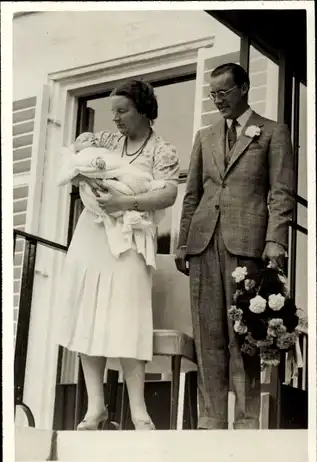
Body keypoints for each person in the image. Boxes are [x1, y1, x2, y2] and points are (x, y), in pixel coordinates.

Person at [175, 63, 294, 430]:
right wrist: (182, 243)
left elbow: (281, 191)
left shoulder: (273, 132)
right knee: (208, 333)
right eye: (213, 94)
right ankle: (210, 418)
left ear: (243, 88)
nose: (217, 101)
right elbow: (193, 194)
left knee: (246, 335)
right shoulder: (204, 136)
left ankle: (245, 420)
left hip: (249, 244)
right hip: (204, 242)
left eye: (223, 93)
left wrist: (275, 238)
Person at [56, 79, 179, 430]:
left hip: (131, 238)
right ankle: (95, 407)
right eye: (113, 112)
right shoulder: (107, 142)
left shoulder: (163, 151)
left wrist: (126, 201)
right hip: (92, 234)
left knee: (127, 317)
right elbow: (80, 161)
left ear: (144, 110)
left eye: (123, 111)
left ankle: (138, 409)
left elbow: (168, 194)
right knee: (87, 314)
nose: (116, 119)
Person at [57, 131, 166, 267]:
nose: (91, 140)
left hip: (118, 179)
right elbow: (69, 165)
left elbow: (117, 165)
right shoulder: (89, 150)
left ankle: (144, 189)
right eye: (85, 140)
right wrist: (85, 176)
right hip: (98, 212)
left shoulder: (102, 147)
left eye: (91, 139)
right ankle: (133, 208)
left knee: (129, 180)